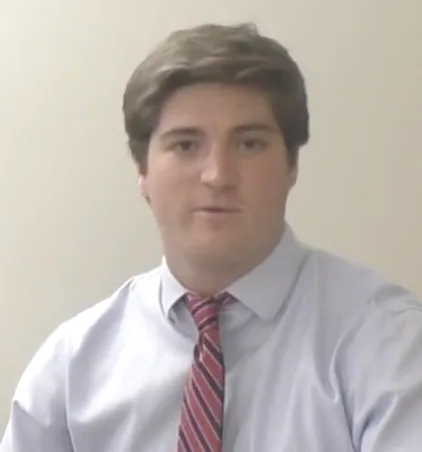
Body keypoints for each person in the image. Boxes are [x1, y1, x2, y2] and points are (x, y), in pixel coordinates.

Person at [1, 22, 422, 452]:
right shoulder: (70, 369)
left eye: (249, 144)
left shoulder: (388, 341)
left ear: (291, 165)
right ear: (143, 171)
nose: (218, 175)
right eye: (186, 145)